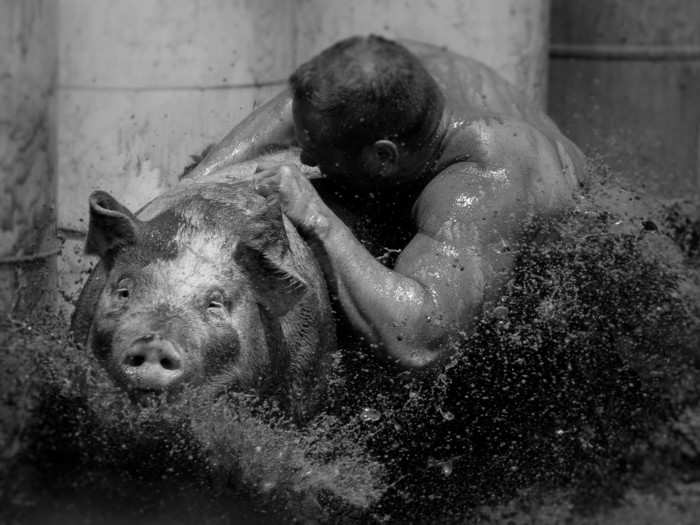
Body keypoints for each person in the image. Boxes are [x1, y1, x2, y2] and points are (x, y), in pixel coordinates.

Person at [186, 35, 586, 369]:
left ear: (383, 156)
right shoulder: (392, 82)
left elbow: (419, 337)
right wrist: (195, 184)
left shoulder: (482, 184)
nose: (304, 158)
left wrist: (316, 217)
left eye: (318, 152)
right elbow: (300, 107)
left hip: (578, 308)